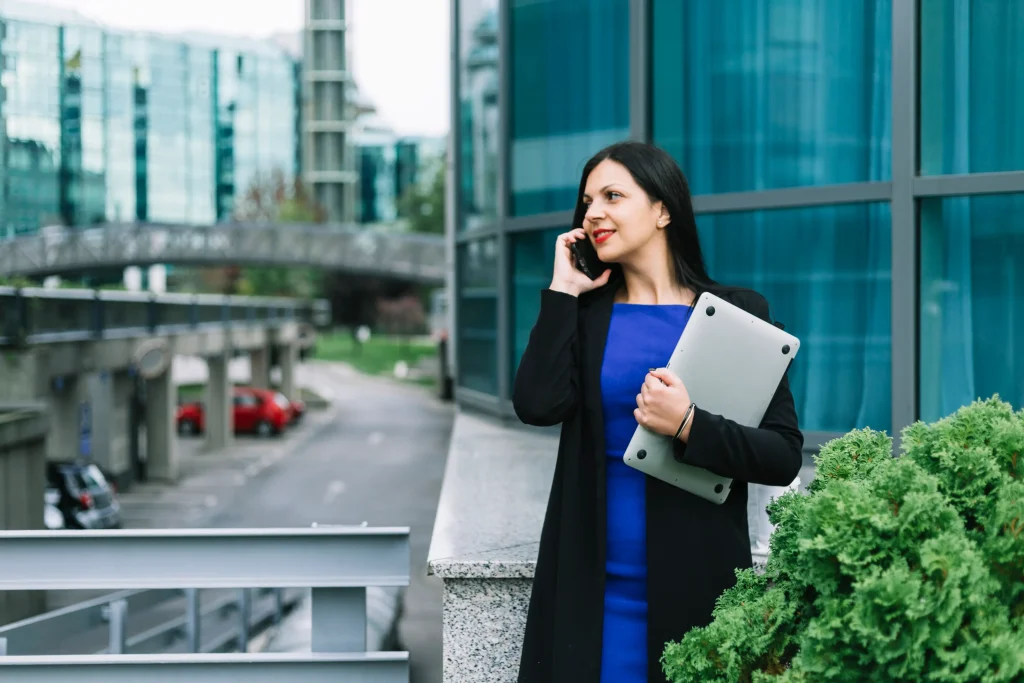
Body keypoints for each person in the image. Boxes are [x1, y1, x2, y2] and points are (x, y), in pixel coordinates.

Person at [512, 141, 803, 683]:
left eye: (612, 196)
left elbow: (782, 455)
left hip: (699, 592)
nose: (593, 212)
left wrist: (689, 424)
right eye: (587, 201)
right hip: (590, 594)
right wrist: (563, 289)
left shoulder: (737, 314)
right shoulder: (585, 313)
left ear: (663, 209)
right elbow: (535, 403)